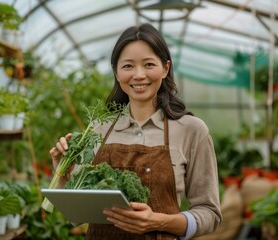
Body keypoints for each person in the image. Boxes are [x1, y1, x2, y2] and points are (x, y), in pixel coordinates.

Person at [50, 23, 222, 240]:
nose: (139, 75)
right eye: (128, 66)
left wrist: (158, 221)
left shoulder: (192, 130)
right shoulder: (98, 128)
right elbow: (77, 217)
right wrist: (63, 174)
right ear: (116, 71)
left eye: (149, 64)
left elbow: (210, 214)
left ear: (165, 68)